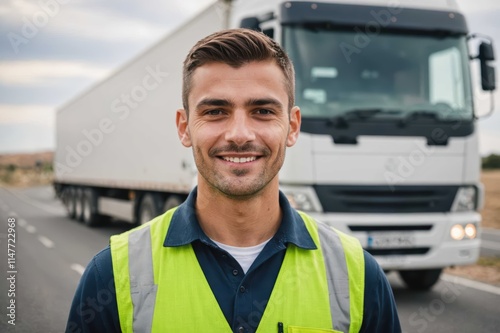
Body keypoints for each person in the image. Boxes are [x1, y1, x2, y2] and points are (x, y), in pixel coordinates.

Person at [66, 28, 401, 333]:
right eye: (215, 111)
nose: (239, 135)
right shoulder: (111, 275)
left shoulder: (360, 276)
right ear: (184, 127)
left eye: (263, 111)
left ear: (293, 126)